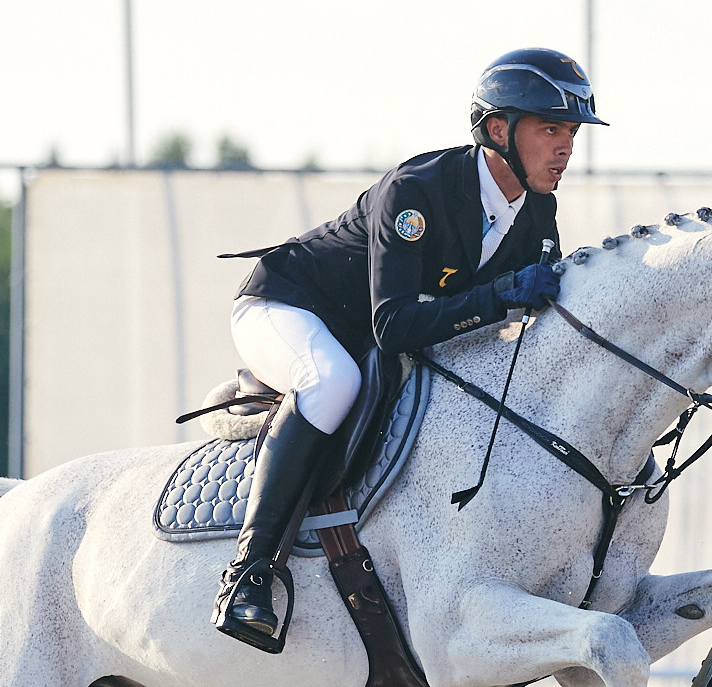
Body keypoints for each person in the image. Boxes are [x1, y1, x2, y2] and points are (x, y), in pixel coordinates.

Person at [212, 48, 605, 652]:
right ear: (498, 130)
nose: (566, 147)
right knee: (331, 381)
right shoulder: (417, 192)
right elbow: (394, 325)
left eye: (572, 132)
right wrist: (501, 296)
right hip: (291, 306)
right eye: (550, 128)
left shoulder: (537, 212)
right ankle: (250, 573)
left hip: (366, 334)